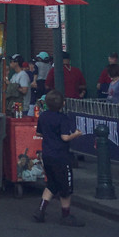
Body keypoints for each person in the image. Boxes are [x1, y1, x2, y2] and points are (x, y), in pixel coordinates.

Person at [33, 90, 84, 226]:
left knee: (52, 183)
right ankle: (66, 215)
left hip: (47, 154)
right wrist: (77, 134)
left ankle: (41, 210)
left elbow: (39, 132)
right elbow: (65, 137)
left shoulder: (43, 116)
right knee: (65, 187)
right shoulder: (63, 118)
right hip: (61, 156)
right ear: (63, 104)